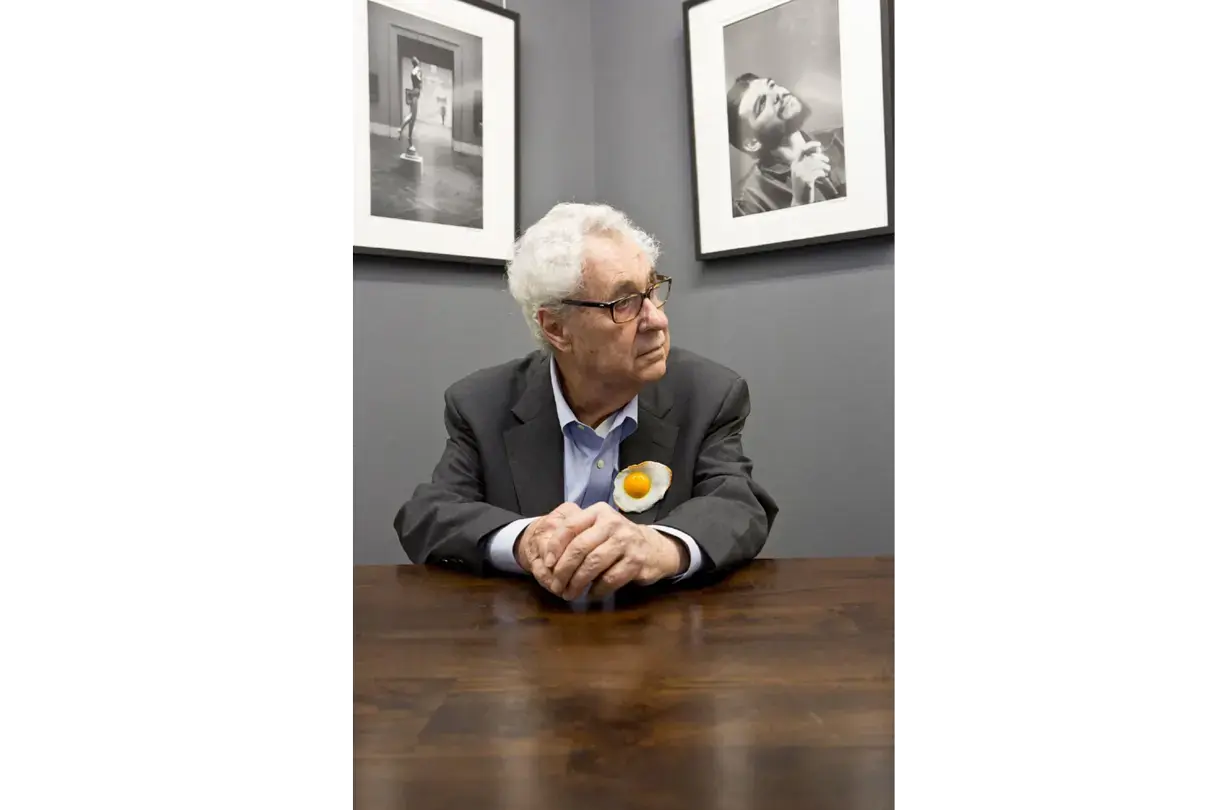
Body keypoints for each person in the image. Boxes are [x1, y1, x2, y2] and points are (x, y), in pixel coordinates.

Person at [394, 202, 778, 602]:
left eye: (652, 290)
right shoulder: (480, 404)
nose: (657, 320)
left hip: (660, 649)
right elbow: (428, 515)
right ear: (556, 329)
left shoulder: (708, 394)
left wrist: (658, 547)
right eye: (623, 302)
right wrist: (526, 541)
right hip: (526, 647)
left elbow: (738, 503)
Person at [725, 72, 847, 216]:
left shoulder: (844, 138)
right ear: (752, 142)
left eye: (772, 85)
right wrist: (800, 202)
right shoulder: (750, 200)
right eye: (762, 103)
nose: (777, 94)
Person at [399, 56, 423, 152]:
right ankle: (403, 130)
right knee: (413, 117)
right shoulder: (418, 70)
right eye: (417, 60)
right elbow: (419, 80)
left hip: (413, 93)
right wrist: (420, 77)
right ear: (416, 62)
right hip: (415, 94)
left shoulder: (413, 71)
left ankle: (410, 141)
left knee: (412, 116)